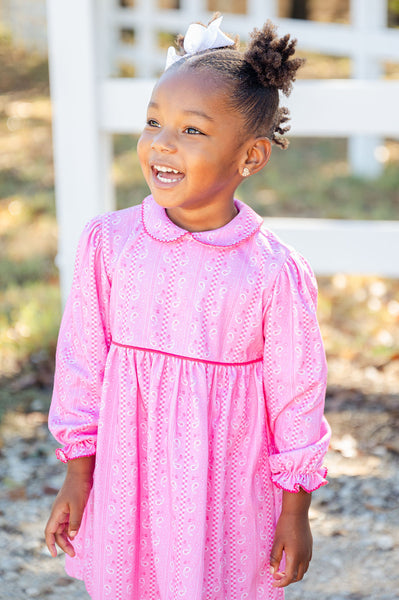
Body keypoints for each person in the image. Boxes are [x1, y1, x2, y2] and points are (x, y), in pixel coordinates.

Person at [45, 14, 331, 600]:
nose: (161, 143)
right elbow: (80, 362)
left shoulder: (272, 271)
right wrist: (79, 476)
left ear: (250, 158)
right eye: (153, 121)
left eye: (192, 131)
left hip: (223, 486)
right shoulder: (109, 244)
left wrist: (295, 512)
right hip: (130, 479)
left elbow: (298, 397)